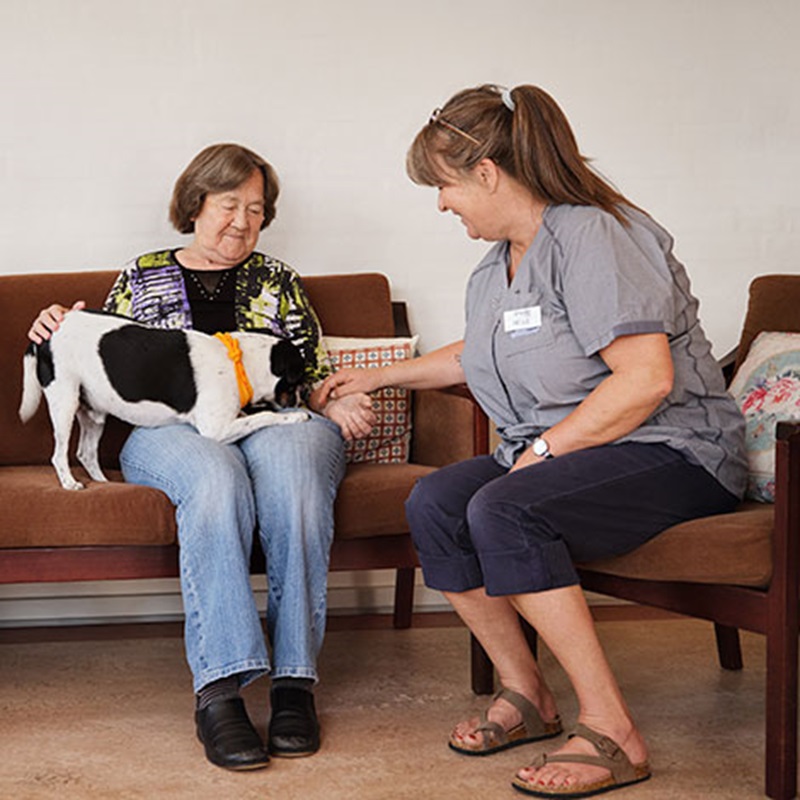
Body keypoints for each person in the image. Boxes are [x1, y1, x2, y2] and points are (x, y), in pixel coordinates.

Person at [320, 85, 747, 798]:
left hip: (672, 450)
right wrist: (377, 376)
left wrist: (543, 453)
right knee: (434, 502)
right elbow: (477, 354)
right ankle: (529, 695)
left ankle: (613, 730)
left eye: (446, 186)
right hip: (583, 451)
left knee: (505, 507)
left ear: (487, 173)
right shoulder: (498, 265)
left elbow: (644, 380)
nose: (441, 204)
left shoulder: (594, 235)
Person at [28, 143, 376, 771]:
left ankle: (294, 682)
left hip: (277, 424)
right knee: (215, 477)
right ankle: (220, 690)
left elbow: (313, 376)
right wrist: (53, 324)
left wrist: (339, 401)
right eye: (228, 205)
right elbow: (99, 349)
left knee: (297, 470)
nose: (242, 221)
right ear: (195, 205)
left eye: (256, 209)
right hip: (168, 429)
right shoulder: (143, 273)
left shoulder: (279, 282)